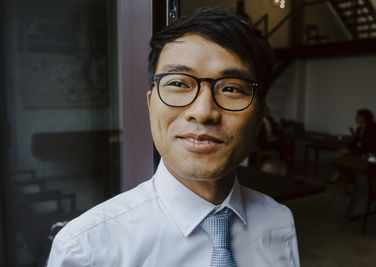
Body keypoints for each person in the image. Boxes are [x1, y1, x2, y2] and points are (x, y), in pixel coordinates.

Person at [47, 7, 300, 267]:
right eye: (179, 83)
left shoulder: (279, 223)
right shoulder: (86, 249)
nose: (203, 112)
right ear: (150, 104)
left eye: (232, 88)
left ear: (260, 116)